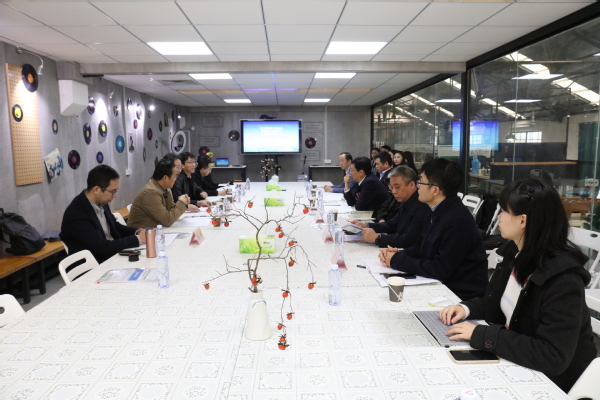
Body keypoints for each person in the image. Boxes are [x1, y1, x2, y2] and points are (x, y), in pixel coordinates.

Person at [439, 178, 596, 392]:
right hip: (517, 365)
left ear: (522, 220)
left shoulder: (563, 280)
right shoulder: (515, 253)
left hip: (553, 385)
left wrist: (482, 335)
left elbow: (552, 356)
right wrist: (465, 308)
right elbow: (497, 304)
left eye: (504, 211)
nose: (499, 217)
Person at [379, 158, 488, 300]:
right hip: (439, 285)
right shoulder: (436, 210)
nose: (418, 186)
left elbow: (440, 269)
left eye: (421, 182)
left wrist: (397, 261)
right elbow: (420, 246)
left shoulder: (457, 220)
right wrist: (398, 253)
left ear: (435, 190)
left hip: (458, 296)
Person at [60, 165, 146, 264]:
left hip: (112, 256)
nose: (115, 195)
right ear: (96, 190)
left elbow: (115, 227)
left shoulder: (101, 202)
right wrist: (137, 239)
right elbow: (103, 248)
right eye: (112, 191)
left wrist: (137, 232)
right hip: (96, 265)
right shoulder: (77, 214)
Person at [351, 166, 429, 248]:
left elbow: (409, 240)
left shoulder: (421, 205)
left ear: (412, 185)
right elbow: (393, 224)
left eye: (397, 187)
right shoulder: (406, 200)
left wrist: (378, 238)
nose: (394, 191)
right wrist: (365, 225)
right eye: (391, 187)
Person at [127, 159, 190, 228]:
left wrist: (183, 204)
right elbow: (167, 220)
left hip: (156, 230)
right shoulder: (150, 192)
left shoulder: (166, 188)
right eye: (175, 176)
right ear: (165, 178)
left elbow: (170, 210)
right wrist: (181, 203)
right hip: (141, 232)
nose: (176, 179)